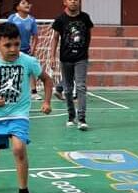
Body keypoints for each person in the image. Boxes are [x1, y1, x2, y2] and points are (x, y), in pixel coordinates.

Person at [0, 22, 52, 193]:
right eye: (7, 45)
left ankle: (24, 192)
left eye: (17, 44)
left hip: (19, 114)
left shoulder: (27, 61)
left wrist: (46, 101)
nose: (13, 49)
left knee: (19, 149)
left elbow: (47, 79)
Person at [50, 0, 93, 130]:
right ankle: (71, 116)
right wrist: (52, 56)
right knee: (68, 89)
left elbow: (88, 34)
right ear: (65, 2)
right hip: (66, 58)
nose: (73, 2)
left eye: (76, 0)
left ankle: (82, 118)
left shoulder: (85, 17)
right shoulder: (60, 19)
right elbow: (55, 38)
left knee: (80, 86)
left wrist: (85, 50)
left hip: (81, 58)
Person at [8, 0, 40, 100]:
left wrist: (33, 49)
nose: (27, 4)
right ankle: (11, 90)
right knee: (12, 69)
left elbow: (35, 36)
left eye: (27, 3)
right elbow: (7, 33)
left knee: (30, 70)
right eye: (23, 3)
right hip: (14, 49)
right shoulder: (12, 18)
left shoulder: (31, 20)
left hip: (26, 49)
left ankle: (34, 92)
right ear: (17, 7)